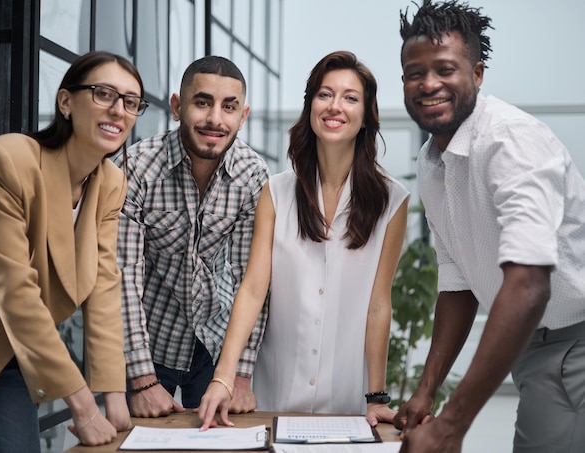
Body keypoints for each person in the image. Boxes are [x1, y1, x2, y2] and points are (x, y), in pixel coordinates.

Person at [394, 2, 585, 452]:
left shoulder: (510, 142)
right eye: (413, 73)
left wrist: (451, 426)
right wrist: (427, 390)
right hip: (535, 347)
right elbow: (458, 281)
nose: (428, 84)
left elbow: (529, 284)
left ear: (477, 74)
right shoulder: (431, 160)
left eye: (445, 69)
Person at [198, 50, 409, 430]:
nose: (335, 106)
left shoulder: (392, 202)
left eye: (351, 97)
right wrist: (223, 378)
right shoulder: (275, 193)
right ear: (310, 105)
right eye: (324, 94)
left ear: (365, 116)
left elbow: (379, 305)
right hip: (272, 394)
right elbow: (252, 289)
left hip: (346, 399)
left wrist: (376, 396)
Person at [0, 50, 148, 452]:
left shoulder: (111, 182)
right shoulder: (6, 160)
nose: (118, 111)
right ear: (65, 102)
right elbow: (14, 289)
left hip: (12, 352)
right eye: (103, 94)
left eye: (131, 102)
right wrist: (83, 406)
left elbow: (103, 288)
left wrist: (113, 396)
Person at [115, 55, 270, 417]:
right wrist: (142, 380)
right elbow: (122, 279)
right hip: (148, 345)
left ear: (242, 116)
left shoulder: (252, 175)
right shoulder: (135, 168)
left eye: (228, 107)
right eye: (202, 103)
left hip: (215, 347)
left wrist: (241, 375)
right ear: (176, 106)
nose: (215, 119)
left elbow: (255, 279)